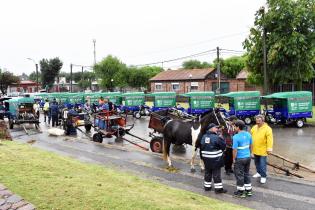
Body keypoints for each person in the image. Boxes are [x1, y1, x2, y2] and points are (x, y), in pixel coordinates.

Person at [200, 123, 227, 194]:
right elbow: (223, 146)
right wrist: (221, 138)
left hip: (206, 158)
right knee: (216, 174)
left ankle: (207, 187)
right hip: (215, 159)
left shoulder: (204, 136)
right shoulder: (217, 137)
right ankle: (218, 189)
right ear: (211, 129)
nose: (217, 129)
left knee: (207, 172)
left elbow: (202, 146)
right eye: (216, 128)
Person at [232, 120, 253, 198]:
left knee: (239, 174)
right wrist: (250, 153)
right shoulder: (248, 134)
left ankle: (241, 192)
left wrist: (234, 159)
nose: (234, 128)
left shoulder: (235, 137)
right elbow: (251, 145)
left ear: (238, 127)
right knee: (246, 174)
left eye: (235, 126)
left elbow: (234, 150)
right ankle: (248, 190)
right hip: (248, 157)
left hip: (240, 158)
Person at [251, 114, 273, 184]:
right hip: (255, 149)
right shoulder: (254, 127)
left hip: (263, 150)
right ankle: (258, 173)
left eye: (259, 120)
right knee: (256, 162)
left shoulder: (267, 128)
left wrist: (269, 148)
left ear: (263, 120)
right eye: (256, 120)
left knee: (262, 164)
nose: (257, 121)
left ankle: (263, 176)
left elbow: (270, 139)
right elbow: (250, 137)